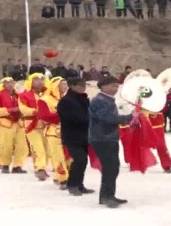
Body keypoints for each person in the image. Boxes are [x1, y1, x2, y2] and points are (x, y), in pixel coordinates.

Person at [88, 76, 135, 208]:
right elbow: (108, 118)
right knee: (110, 168)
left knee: (112, 168)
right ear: (104, 86)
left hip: (108, 137)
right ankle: (107, 196)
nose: (115, 88)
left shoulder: (106, 99)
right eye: (113, 86)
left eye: (117, 86)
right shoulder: (100, 100)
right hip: (102, 138)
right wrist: (129, 117)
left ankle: (108, 195)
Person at [58, 78, 94, 196]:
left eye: (84, 85)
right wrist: (88, 119)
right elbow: (72, 118)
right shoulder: (66, 101)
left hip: (84, 134)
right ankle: (72, 184)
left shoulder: (84, 99)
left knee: (83, 161)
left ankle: (79, 184)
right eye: (80, 85)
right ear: (72, 86)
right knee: (79, 159)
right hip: (71, 135)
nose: (82, 87)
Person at [38, 77, 70, 189]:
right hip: (54, 132)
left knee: (69, 157)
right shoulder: (44, 99)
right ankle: (63, 179)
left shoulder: (68, 98)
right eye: (62, 84)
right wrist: (63, 115)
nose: (65, 86)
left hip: (69, 132)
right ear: (56, 86)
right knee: (58, 157)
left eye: (66, 84)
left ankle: (58, 176)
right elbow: (44, 116)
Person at [19, 73, 49, 180]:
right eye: (36, 79)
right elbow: (23, 108)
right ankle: (39, 168)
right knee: (38, 148)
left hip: (46, 124)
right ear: (31, 81)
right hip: (31, 124)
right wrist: (36, 112)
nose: (40, 81)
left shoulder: (48, 93)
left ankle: (42, 167)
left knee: (47, 149)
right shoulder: (24, 95)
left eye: (42, 79)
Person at [0, 77, 28, 174]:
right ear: (3, 85)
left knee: (22, 145)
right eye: (7, 83)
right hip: (6, 122)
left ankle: (17, 165)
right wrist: (12, 110)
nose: (10, 85)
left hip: (18, 122)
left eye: (11, 83)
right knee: (6, 145)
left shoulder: (18, 95)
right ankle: (5, 165)